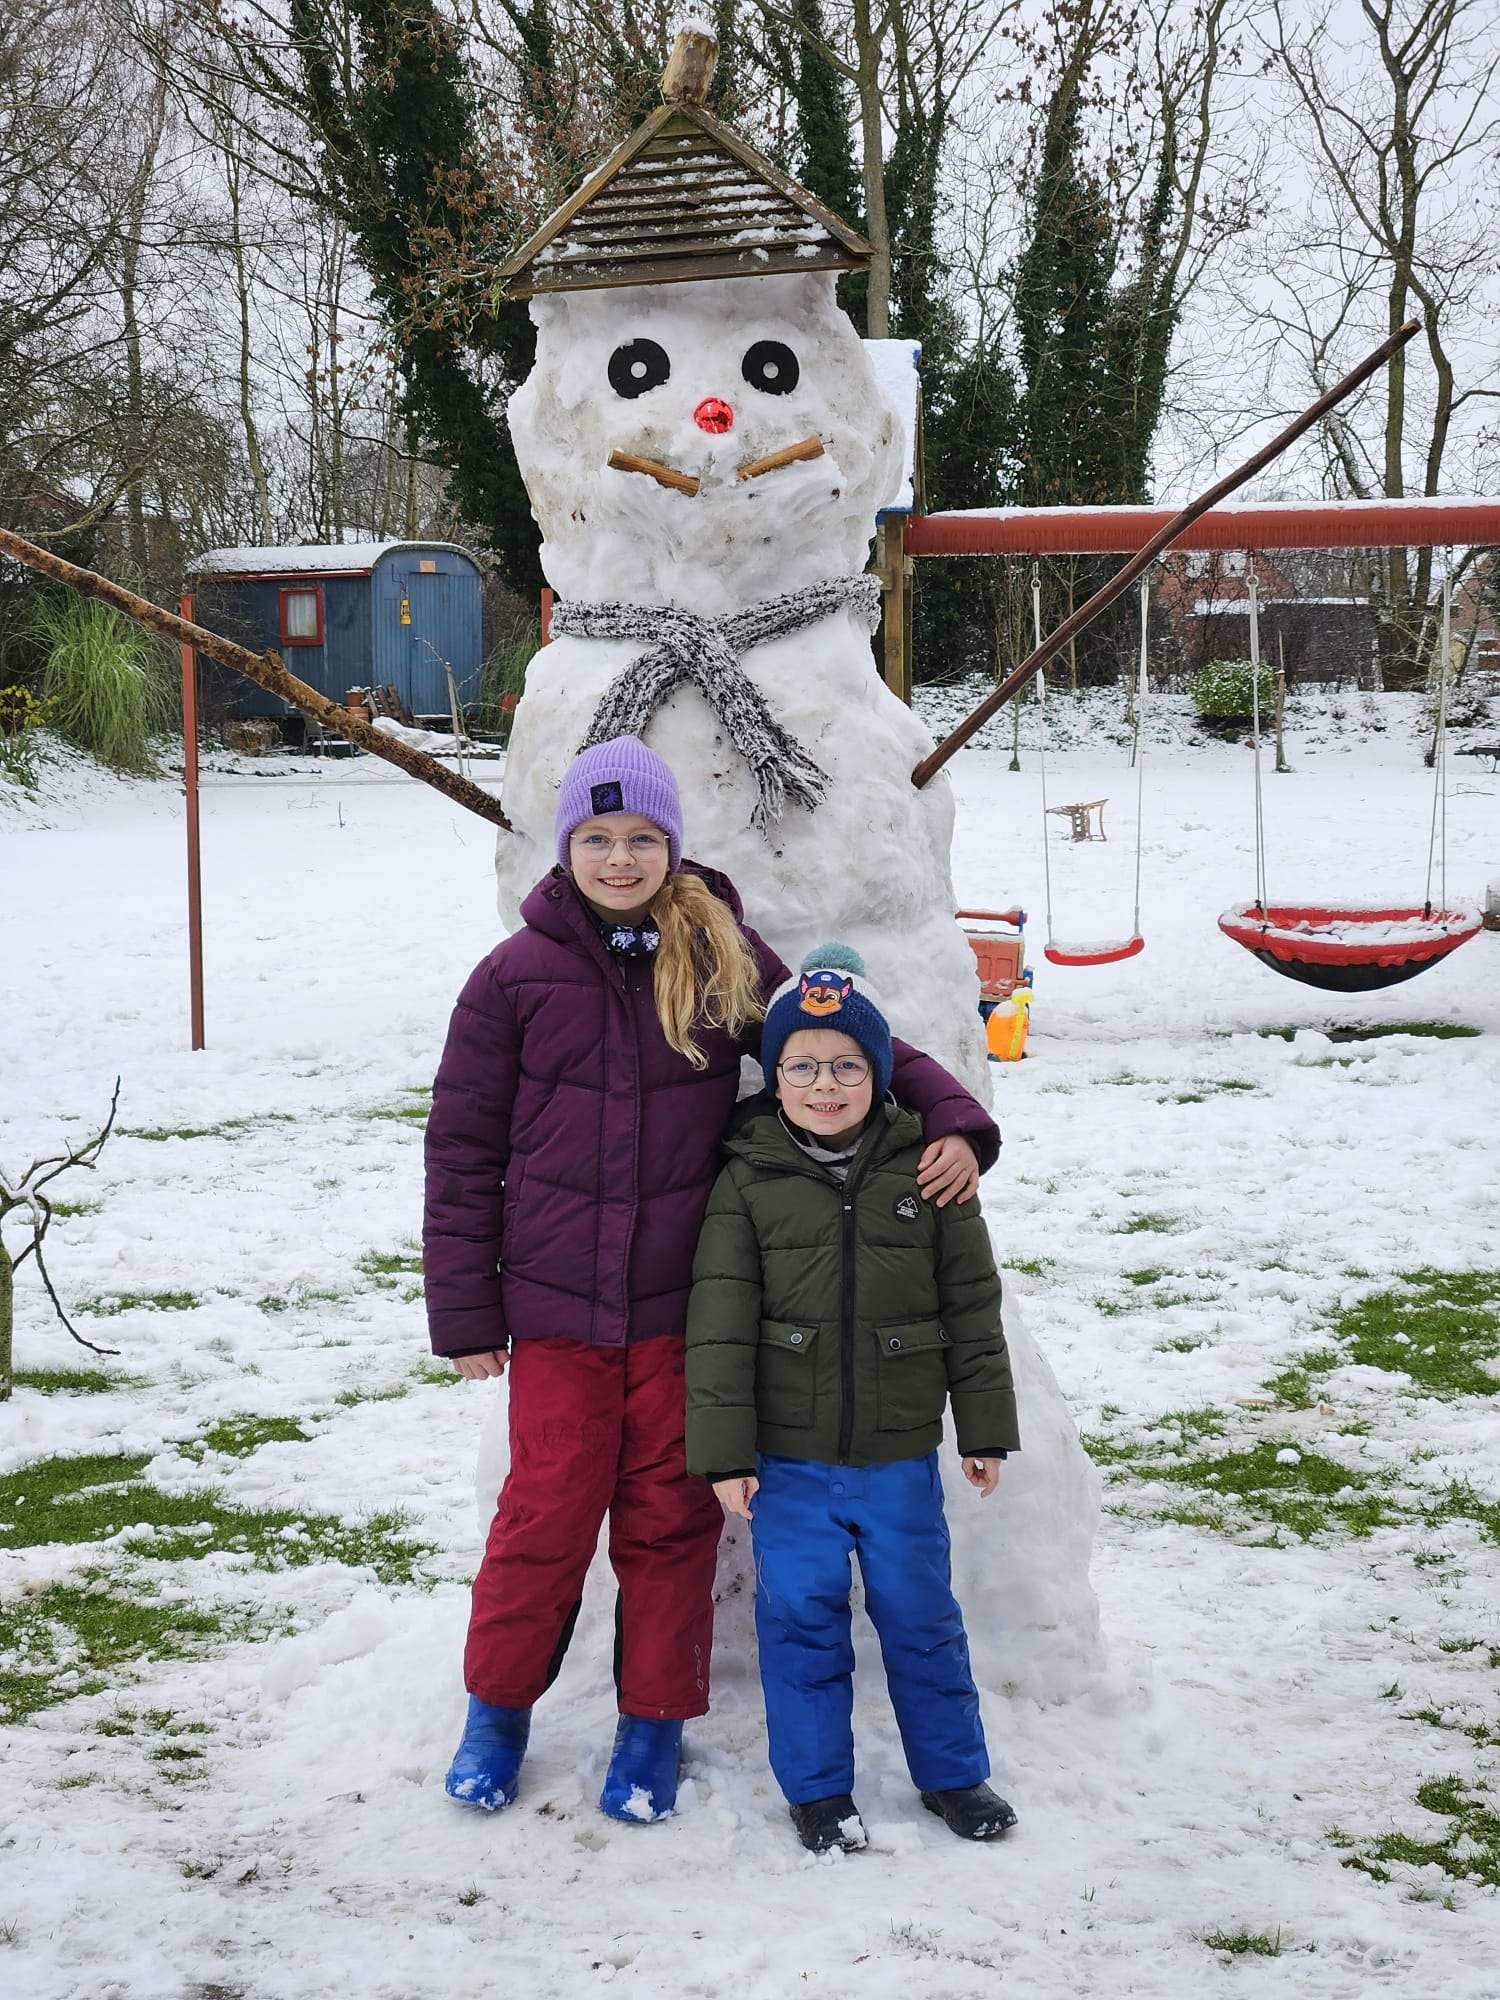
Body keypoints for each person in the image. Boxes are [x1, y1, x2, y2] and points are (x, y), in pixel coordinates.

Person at [423, 737, 1000, 1824]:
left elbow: (829, 1035)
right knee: (541, 1517)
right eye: (597, 838)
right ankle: (496, 1712)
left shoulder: (715, 949)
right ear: (567, 849)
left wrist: (959, 1115)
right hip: (553, 1315)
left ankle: (652, 1727)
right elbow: (459, 1149)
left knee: (668, 1522)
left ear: (673, 845)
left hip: (680, 1312)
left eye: (642, 837)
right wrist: (466, 1307)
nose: (620, 857)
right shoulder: (512, 977)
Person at [684, 944, 1020, 1853]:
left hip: (900, 1453)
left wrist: (983, 1430)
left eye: (846, 1066)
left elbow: (972, 1310)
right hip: (789, 1465)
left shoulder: (930, 1172)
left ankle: (955, 1775)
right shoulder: (746, 1177)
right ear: (775, 1074)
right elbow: (717, 1325)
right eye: (803, 1065)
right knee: (799, 1627)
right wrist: (725, 1454)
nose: (824, 1085)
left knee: (922, 1619)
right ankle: (819, 1791)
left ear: (879, 1073)